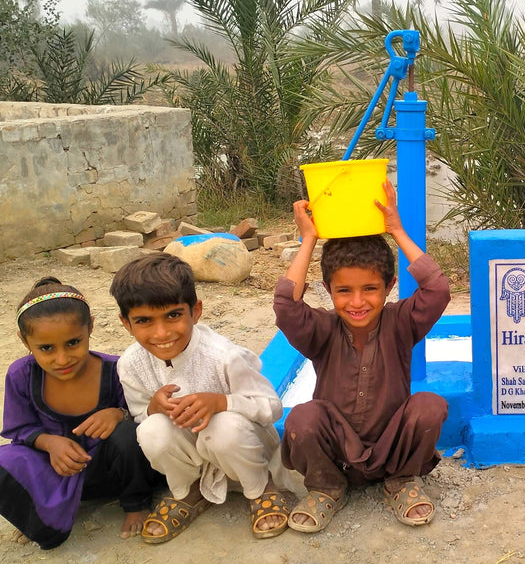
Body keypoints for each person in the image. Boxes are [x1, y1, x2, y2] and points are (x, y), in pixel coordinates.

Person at [275, 179, 450, 533]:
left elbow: (437, 289)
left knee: (430, 405)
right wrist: (308, 239)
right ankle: (326, 488)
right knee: (303, 417)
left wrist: (396, 229)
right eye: (344, 291)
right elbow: (285, 306)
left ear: (388, 287)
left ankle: (402, 481)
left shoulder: (401, 322)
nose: (357, 302)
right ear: (328, 290)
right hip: (336, 453)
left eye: (370, 289)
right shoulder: (321, 330)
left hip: (392, 449)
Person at [111, 254, 298, 544]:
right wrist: (153, 407)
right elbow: (138, 414)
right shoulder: (130, 364)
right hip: (195, 456)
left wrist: (222, 403)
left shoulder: (223, 356)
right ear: (126, 323)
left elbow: (271, 408)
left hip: (244, 450)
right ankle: (189, 492)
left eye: (173, 315)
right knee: (150, 429)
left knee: (222, 428)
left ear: (195, 312)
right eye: (144, 321)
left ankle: (262, 489)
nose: (161, 333)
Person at [0, 277, 162, 549]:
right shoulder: (21, 375)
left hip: (110, 471)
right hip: (56, 470)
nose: (62, 359)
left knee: (129, 433)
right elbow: (20, 429)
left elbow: (146, 412)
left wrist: (118, 413)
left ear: (91, 328)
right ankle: (38, 513)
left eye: (73, 342)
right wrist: (48, 442)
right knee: (6, 459)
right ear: (25, 341)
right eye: (46, 348)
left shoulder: (116, 370)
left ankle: (135, 503)